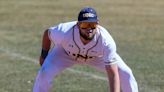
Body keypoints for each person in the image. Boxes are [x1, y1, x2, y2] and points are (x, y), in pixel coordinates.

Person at [33, 7, 138, 92]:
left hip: (97, 57)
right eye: (85, 25)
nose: (89, 29)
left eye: (92, 25)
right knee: (44, 72)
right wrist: (43, 55)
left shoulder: (106, 41)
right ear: (78, 25)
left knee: (126, 73)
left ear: (97, 24)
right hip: (65, 53)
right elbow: (47, 34)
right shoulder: (64, 31)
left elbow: (112, 73)